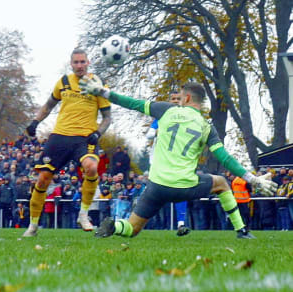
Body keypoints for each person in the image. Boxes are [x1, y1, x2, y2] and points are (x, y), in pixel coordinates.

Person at [79, 78, 277, 239]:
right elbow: (224, 158)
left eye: (181, 97)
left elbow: (132, 103)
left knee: (132, 229)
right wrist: (253, 179)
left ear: (187, 97)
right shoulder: (206, 126)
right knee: (222, 183)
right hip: (184, 186)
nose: (179, 100)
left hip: (156, 186)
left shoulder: (165, 110)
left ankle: (116, 227)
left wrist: (102, 91)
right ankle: (241, 231)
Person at [22, 48, 112, 237]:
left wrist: (98, 133)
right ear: (71, 64)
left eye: (82, 62)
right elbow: (48, 105)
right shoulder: (63, 82)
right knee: (43, 178)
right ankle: (33, 226)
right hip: (60, 136)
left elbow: (107, 117)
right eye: (76, 62)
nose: (79, 66)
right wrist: (35, 122)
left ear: (88, 63)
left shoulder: (98, 84)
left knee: (92, 168)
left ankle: (83, 215)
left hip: (84, 138)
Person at [147, 92, 190, 236]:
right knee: (157, 191)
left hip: (177, 159)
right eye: (173, 99)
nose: (176, 101)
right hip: (159, 160)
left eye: (179, 99)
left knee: (181, 189)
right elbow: (149, 135)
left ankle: (181, 223)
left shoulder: (187, 118)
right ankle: (146, 220)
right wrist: (158, 130)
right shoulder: (161, 117)